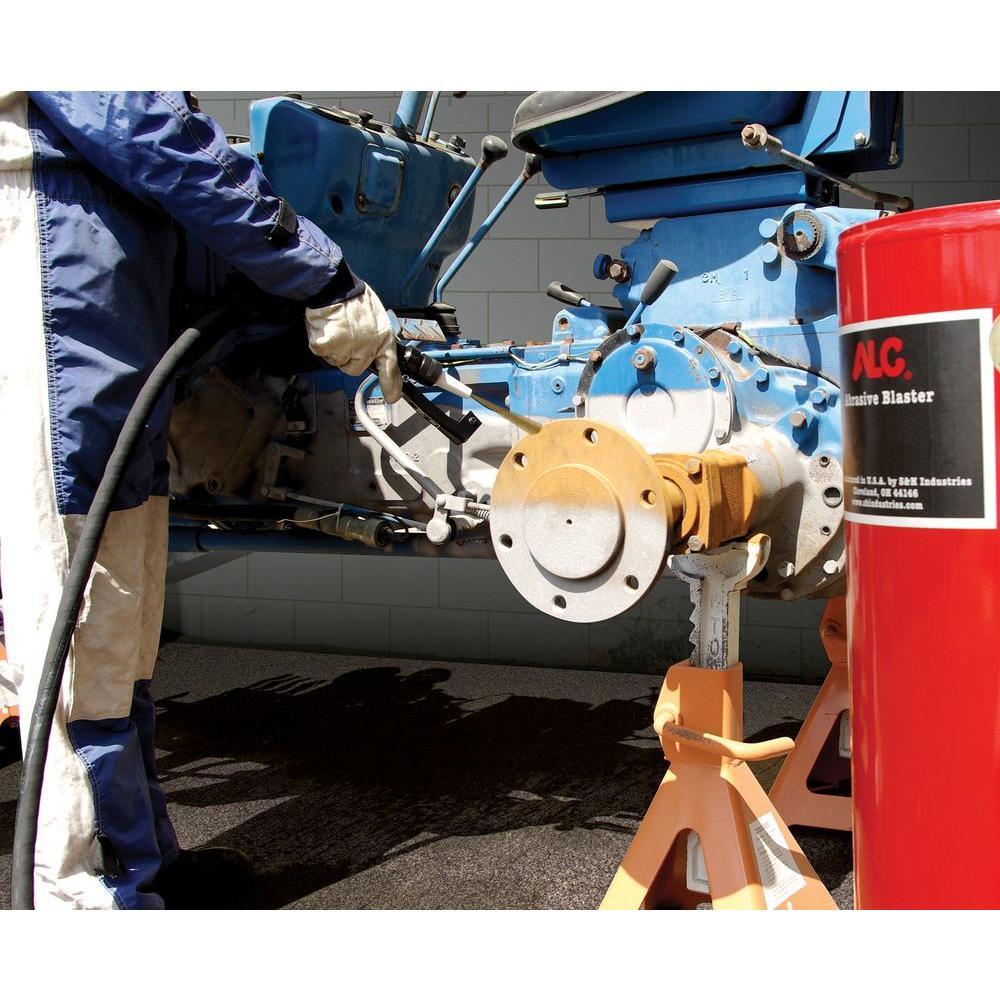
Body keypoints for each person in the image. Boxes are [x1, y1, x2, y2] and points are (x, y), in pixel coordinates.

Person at [0, 91, 402, 909]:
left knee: (121, 625)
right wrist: (320, 274)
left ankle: (145, 866)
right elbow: (147, 127)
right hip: (54, 277)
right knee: (84, 625)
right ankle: (87, 901)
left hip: (104, 296)